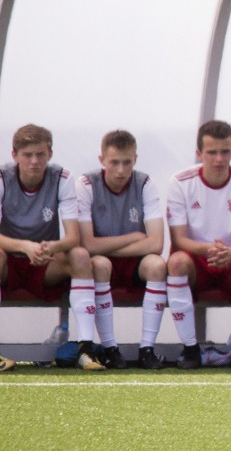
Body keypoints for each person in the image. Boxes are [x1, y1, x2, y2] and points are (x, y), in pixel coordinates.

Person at [0, 124, 105, 371]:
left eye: (40, 154)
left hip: (44, 262)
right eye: (27, 155)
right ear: (14, 155)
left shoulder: (63, 178)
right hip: (9, 260)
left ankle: (86, 348)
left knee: (80, 255)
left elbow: (73, 237)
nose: (34, 161)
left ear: (50, 154)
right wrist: (25, 246)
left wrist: (51, 246)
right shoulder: (3, 178)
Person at [166, 120, 231, 370]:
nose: (219, 159)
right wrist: (212, 250)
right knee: (176, 262)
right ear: (199, 153)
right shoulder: (180, 182)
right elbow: (179, 239)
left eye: (225, 151)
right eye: (212, 152)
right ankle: (190, 350)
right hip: (197, 259)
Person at [76, 130, 167, 370]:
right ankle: (110, 349)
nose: (120, 170)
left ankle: (147, 349)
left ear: (135, 159)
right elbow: (87, 244)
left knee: (157, 265)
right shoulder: (86, 185)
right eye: (114, 162)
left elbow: (156, 244)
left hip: (134, 261)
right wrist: (133, 237)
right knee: (99, 264)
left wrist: (106, 244)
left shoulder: (146, 183)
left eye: (127, 162)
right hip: (102, 263)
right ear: (101, 160)